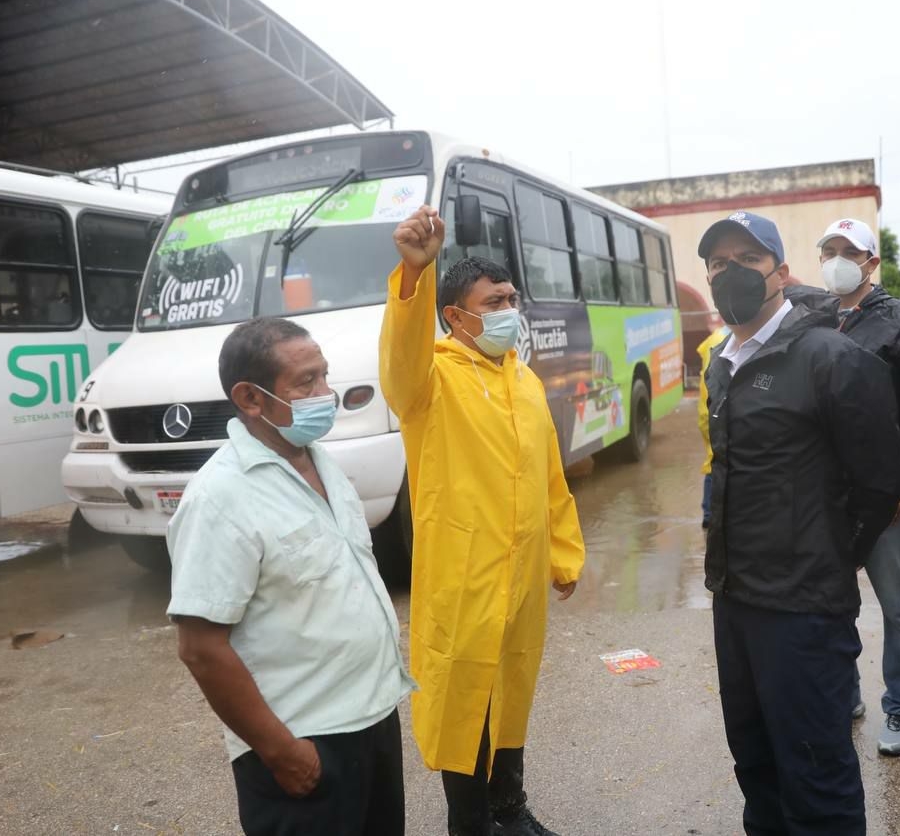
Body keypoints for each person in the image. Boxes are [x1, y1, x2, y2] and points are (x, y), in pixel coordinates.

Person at [379, 206, 586, 836]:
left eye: (511, 298)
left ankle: (509, 808)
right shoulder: (432, 378)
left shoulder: (522, 379)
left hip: (520, 574)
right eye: (495, 301)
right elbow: (399, 362)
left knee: (513, 688)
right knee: (465, 701)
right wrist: (414, 274)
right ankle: (469, 823)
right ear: (455, 316)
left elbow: (549, 474)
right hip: (463, 574)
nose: (508, 309)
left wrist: (562, 552)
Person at [700, 211, 900, 835]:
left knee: (815, 770)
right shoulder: (722, 362)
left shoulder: (831, 358)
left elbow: (880, 483)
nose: (729, 274)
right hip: (735, 598)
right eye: (717, 264)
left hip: (803, 606)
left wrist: (829, 552)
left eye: (746, 260)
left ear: (781, 274)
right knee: (755, 759)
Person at [167, 317, 413, 836]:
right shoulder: (220, 498)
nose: (326, 393)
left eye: (325, 376)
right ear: (250, 399)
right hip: (304, 746)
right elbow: (200, 647)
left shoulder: (322, 464)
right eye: (306, 382)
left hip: (372, 723)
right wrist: (283, 752)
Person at [817, 218, 900, 756]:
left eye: (850, 251)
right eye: (830, 250)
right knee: (831, 601)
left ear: (872, 262)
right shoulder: (809, 319)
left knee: (899, 604)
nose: (838, 259)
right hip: (825, 494)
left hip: (887, 495)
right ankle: (844, 696)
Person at [695, 320, 729, 529]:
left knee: (712, 459)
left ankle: (708, 512)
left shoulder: (713, 338)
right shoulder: (726, 341)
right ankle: (711, 512)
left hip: (706, 410)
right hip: (716, 409)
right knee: (717, 461)